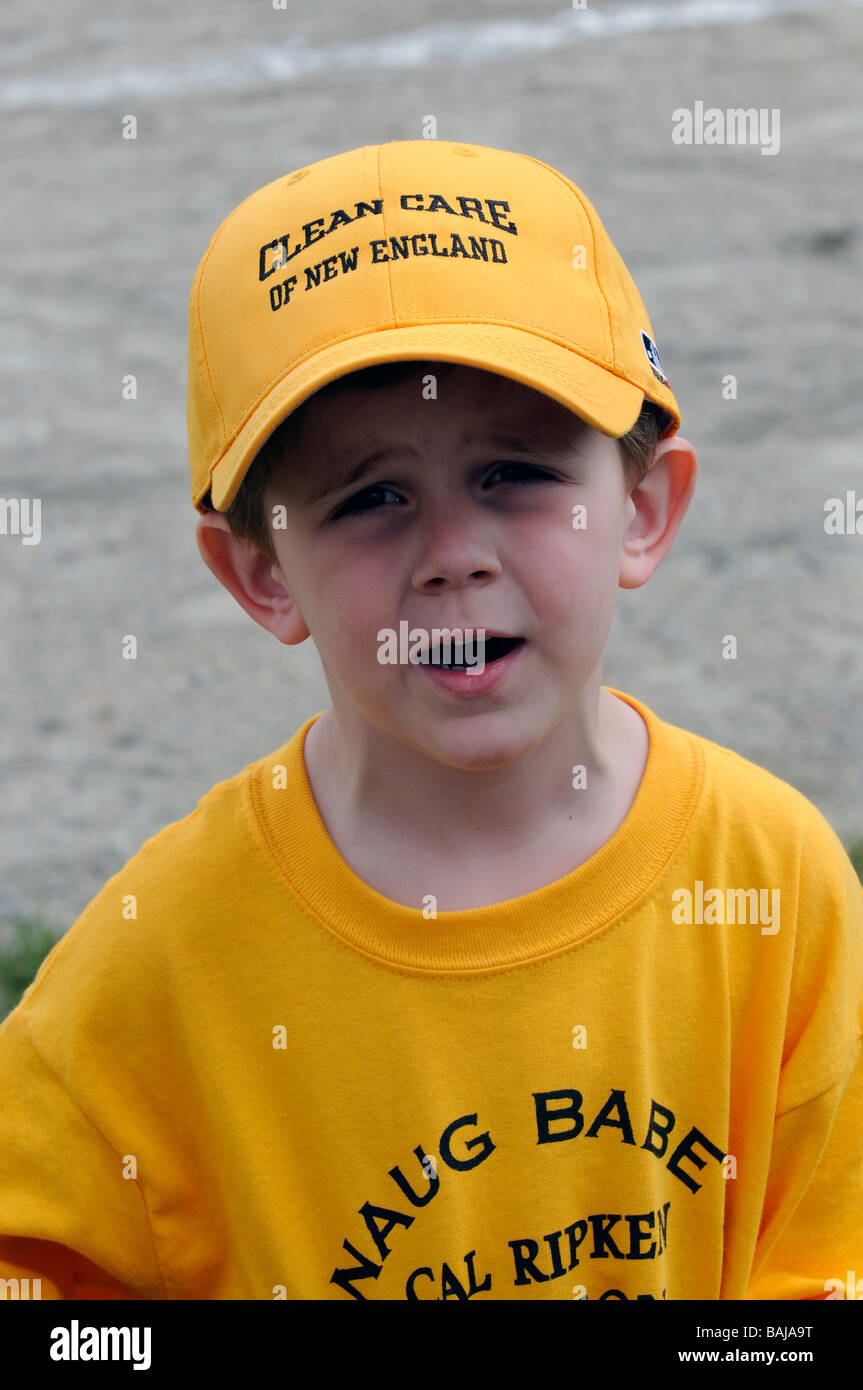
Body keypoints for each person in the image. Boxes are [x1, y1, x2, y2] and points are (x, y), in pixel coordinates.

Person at [1, 140, 860, 1302]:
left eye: (514, 472)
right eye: (372, 498)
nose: (453, 557)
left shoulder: (770, 881)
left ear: (643, 508)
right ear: (258, 571)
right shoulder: (160, 964)